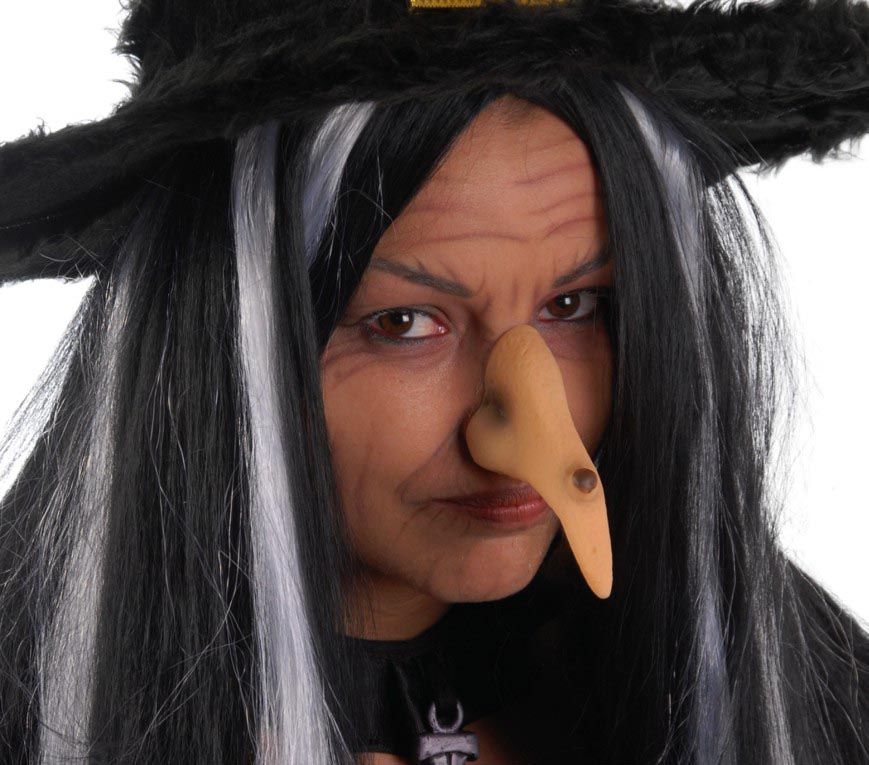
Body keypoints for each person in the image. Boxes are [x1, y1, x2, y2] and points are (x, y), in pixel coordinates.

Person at [1, 0, 868, 763]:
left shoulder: (792, 681)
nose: (530, 438)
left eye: (573, 305)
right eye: (405, 323)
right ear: (214, 339)